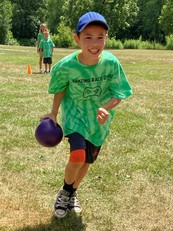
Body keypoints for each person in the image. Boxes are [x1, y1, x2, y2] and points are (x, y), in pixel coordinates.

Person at [41, 11, 133, 218]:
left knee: (86, 162)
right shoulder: (67, 67)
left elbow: (119, 93)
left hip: (97, 124)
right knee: (77, 156)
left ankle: (72, 192)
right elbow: (61, 88)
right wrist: (54, 113)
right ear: (77, 39)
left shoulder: (111, 64)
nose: (94, 43)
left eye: (100, 37)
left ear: (106, 38)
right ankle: (65, 192)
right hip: (76, 116)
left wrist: (106, 108)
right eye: (88, 37)